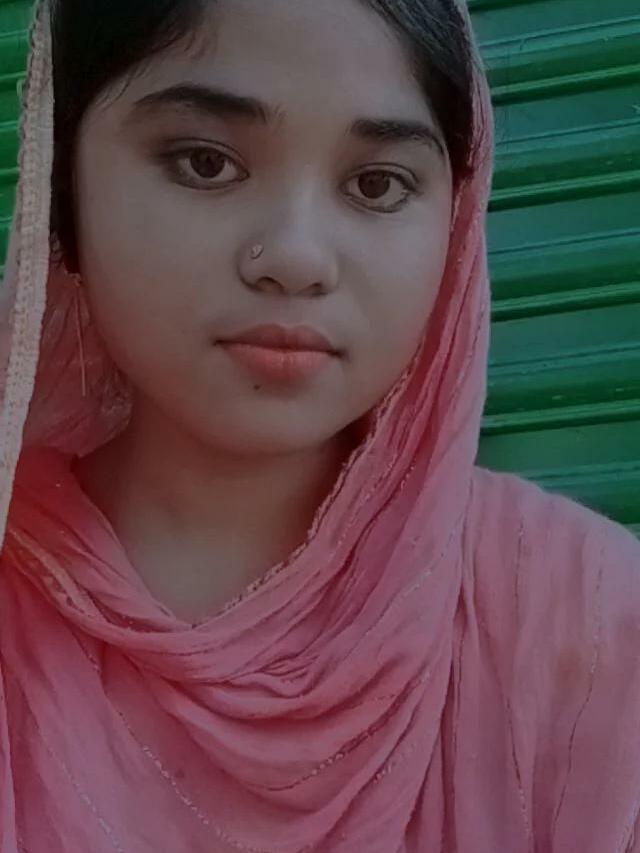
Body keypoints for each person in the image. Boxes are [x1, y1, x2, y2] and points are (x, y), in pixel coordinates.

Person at [0, 0, 639, 850]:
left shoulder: (589, 626)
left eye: (377, 184)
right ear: (61, 194)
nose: (298, 256)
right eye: (205, 163)